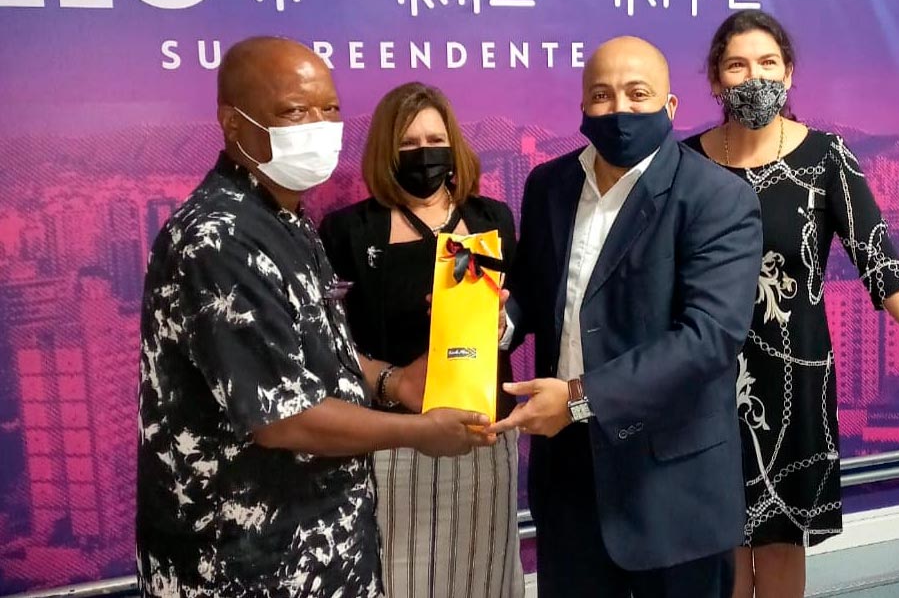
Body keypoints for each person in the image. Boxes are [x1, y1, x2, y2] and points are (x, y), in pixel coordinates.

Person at [136, 37, 494, 598]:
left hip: (320, 550)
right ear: (233, 123)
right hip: (244, 564)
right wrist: (419, 431)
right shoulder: (219, 238)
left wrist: (393, 380)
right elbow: (283, 417)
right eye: (294, 112)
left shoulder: (284, 220)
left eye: (329, 109)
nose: (319, 126)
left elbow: (313, 349)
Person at [685, 9, 899, 598]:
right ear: (716, 79)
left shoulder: (826, 157)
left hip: (794, 378)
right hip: (704, 379)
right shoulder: (685, 164)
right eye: (737, 65)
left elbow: (879, 261)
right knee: (718, 554)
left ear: (789, 73)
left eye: (768, 63)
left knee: (780, 545)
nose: (754, 77)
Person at [490, 36, 763, 598]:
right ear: (583, 105)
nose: (619, 110)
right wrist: (499, 320)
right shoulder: (549, 185)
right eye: (602, 95)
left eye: (638, 94)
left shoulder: (717, 197)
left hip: (672, 484)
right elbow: (536, 288)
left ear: (670, 105)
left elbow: (708, 339)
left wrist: (578, 398)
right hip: (568, 476)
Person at [318, 81, 524, 598]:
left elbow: (518, 319)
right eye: (408, 144)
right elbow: (328, 346)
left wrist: (498, 323)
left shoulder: (490, 220)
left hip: (483, 435)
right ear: (386, 153)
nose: (423, 154)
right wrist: (392, 382)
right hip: (394, 442)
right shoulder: (349, 231)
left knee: (486, 577)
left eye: (434, 140)